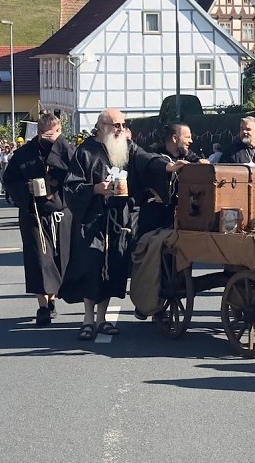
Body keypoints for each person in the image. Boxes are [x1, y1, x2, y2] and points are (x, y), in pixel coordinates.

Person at [59, 108, 188, 340]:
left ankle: (102, 318)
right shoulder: (85, 152)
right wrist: (96, 189)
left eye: (122, 124)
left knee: (113, 269)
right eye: (115, 125)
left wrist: (167, 167)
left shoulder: (126, 148)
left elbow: (147, 160)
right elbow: (71, 187)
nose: (120, 129)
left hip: (119, 220)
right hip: (92, 222)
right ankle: (88, 319)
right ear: (101, 126)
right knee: (92, 267)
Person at [2, 113, 76, 326]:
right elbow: (9, 180)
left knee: (59, 258)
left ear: (59, 130)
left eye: (53, 134)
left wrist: (59, 144)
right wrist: (26, 190)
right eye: (45, 135)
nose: (48, 139)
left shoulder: (66, 149)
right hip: (33, 213)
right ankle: (43, 306)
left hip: (60, 213)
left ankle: (52, 298)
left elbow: (79, 170)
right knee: (38, 259)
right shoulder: (24, 153)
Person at [138, 122, 207, 236]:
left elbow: (197, 160)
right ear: (175, 138)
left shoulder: (187, 155)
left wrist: (202, 164)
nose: (191, 141)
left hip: (179, 216)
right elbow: (153, 166)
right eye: (187, 137)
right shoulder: (153, 156)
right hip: (155, 218)